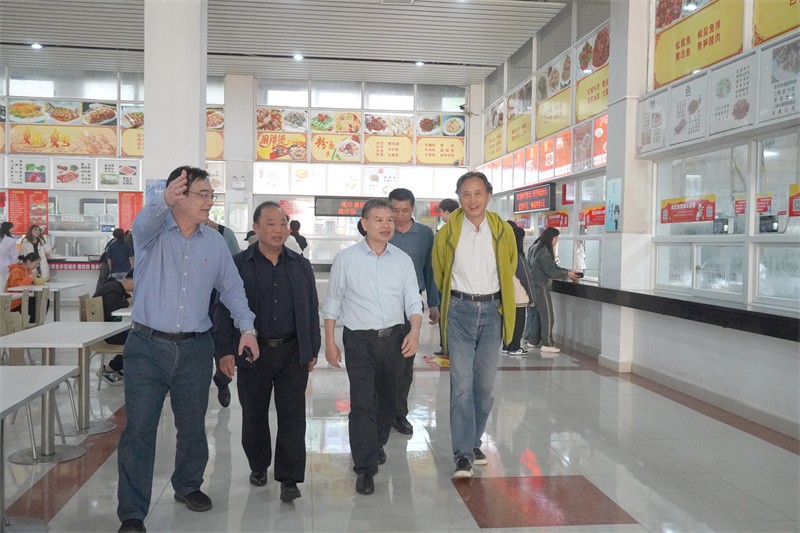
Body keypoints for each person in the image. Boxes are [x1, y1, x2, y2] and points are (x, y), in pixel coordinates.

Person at [116, 166, 258, 533]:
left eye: (212, 195)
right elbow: (144, 221)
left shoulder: (215, 242)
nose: (210, 202)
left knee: (193, 425)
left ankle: (188, 485)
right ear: (179, 196)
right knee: (139, 430)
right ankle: (132, 512)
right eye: (203, 195)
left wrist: (247, 329)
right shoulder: (150, 235)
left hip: (195, 348)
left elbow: (232, 289)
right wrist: (160, 200)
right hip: (147, 347)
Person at [214, 201, 320, 502]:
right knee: (254, 413)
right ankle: (258, 465)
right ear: (256, 227)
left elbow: (311, 308)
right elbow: (222, 310)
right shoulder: (238, 265)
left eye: (282, 223)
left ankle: (289, 477)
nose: (278, 229)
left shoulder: (300, 265)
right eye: (270, 223)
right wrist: (224, 351)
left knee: (293, 415)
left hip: (292, 351)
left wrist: (312, 348)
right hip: (252, 352)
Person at [322, 198, 422, 496]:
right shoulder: (347, 258)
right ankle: (364, 467)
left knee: (389, 400)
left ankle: (376, 442)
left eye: (390, 219)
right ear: (364, 224)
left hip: (394, 338)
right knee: (362, 401)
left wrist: (415, 331)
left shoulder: (402, 260)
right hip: (359, 340)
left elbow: (413, 299)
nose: (386, 225)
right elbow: (333, 301)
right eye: (378, 219)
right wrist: (330, 341)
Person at [432, 171, 517, 479]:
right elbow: (439, 271)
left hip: (493, 312)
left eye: (478, 193)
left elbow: (509, 266)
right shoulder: (447, 233)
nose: (472, 200)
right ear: (459, 198)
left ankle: (474, 440)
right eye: (466, 194)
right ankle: (463, 455)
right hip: (459, 311)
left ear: (488, 196)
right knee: (461, 387)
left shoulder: (502, 231)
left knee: (485, 388)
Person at [387, 187, 439, 436]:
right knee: (381, 362)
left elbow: (430, 270)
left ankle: (399, 415)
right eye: (395, 210)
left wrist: (434, 303)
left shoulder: (425, 234)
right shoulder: (382, 229)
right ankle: (380, 413)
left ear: (412, 209)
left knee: (405, 364)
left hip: (412, 306)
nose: (399, 216)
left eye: (404, 210)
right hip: (382, 304)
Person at [205, 218, 242, 407]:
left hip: (219, 298)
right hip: (192, 300)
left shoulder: (224, 234)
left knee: (221, 339)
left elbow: (237, 269)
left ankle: (222, 379)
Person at [528, 227, 580, 357]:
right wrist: (567, 274)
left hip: (534, 285)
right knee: (547, 315)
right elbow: (551, 271)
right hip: (540, 286)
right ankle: (547, 344)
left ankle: (533, 340)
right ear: (550, 238)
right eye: (555, 238)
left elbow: (553, 267)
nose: (556, 241)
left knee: (538, 315)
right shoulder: (544, 252)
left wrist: (567, 271)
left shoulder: (537, 248)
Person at [94, 271, 135, 384]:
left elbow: (121, 300)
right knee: (138, 338)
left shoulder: (116, 287)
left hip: (106, 329)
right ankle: (112, 369)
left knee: (137, 334)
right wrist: (132, 299)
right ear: (132, 280)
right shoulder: (112, 288)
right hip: (103, 333)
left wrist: (129, 298)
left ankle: (114, 368)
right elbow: (115, 305)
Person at [501, 221, 533, 356]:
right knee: (519, 322)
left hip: (508, 294)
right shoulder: (518, 256)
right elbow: (525, 278)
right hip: (519, 294)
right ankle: (514, 347)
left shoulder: (505, 254)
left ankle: (506, 345)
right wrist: (532, 297)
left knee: (508, 322)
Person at [433, 198, 460, 357]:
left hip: (447, 284)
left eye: (442, 212)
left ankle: (446, 346)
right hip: (460, 286)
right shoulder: (464, 228)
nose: (441, 216)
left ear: (447, 212)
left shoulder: (444, 232)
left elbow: (438, 262)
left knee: (446, 316)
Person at [6, 252, 49, 324]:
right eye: (36, 264)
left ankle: (36, 323)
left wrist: (37, 281)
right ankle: (33, 323)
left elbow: (28, 283)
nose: (36, 266)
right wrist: (31, 277)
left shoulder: (28, 270)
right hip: (14, 302)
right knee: (37, 303)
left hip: (23, 298)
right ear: (29, 262)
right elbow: (17, 286)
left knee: (45, 300)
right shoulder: (16, 270)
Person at [0, 222, 18, 290]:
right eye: (12, 227)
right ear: (7, 228)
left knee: (1, 287)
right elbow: (14, 256)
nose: (13, 229)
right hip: (9, 268)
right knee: (9, 288)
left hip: (1, 268)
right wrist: (15, 268)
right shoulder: (11, 240)